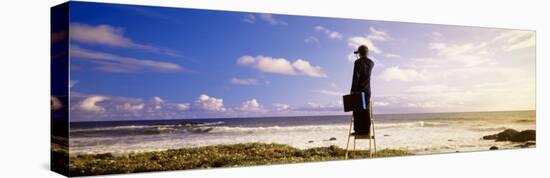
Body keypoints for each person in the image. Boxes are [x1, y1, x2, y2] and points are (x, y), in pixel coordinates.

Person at [350, 45, 374, 135]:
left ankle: (358, 131)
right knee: (366, 110)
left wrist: (352, 90)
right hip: (367, 90)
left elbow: (355, 77)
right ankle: (366, 131)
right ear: (367, 52)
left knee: (356, 111)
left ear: (359, 53)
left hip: (358, 90)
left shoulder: (357, 62)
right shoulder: (371, 63)